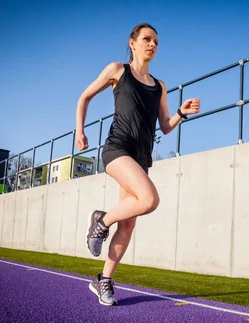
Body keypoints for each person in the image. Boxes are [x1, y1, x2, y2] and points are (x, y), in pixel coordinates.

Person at [75, 23, 200, 306]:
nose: (152, 44)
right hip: (118, 148)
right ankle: (102, 221)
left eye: (156, 41)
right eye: (147, 39)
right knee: (149, 199)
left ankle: (103, 280)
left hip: (141, 156)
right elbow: (84, 97)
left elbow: (165, 126)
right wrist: (79, 130)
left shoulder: (159, 86)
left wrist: (181, 112)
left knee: (129, 225)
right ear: (132, 43)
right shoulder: (118, 71)